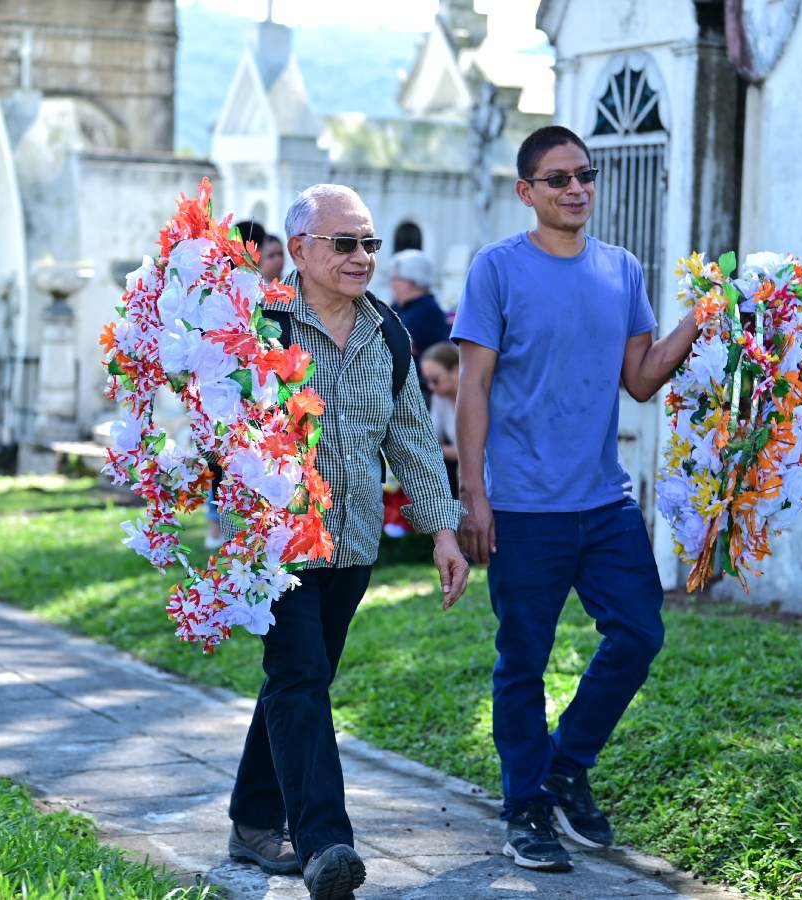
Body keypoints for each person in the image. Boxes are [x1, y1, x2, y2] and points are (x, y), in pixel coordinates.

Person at [452, 126, 700, 873]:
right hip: (524, 507)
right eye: (556, 178)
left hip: (603, 502)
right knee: (522, 661)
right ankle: (525, 806)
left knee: (640, 633)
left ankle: (565, 767)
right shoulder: (497, 270)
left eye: (583, 175)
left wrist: (703, 317)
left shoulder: (621, 270)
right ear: (526, 191)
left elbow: (644, 378)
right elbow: (473, 389)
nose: (575, 188)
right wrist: (474, 497)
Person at [226, 184, 468, 900]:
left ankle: (251, 818)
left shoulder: (389, 332)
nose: (361, 256)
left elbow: (414, 443)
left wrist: (443, 532)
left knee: (300, 681)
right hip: (276, 545)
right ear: (299, 251)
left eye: (369, 243)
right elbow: (211, 419)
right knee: (300, 678)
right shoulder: (257, 325)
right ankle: (327, 842)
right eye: (344, 243)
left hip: (354, 541)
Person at [206, 226, 284, 550]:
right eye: (270, 254)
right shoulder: (222, 297)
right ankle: (232, 530)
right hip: (231, 400)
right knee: (230, 463)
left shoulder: (275, 301)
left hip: (262, 403)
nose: (276, 261)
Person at [388, 249, 450, 391]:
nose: (392, 285)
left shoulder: (427, 311)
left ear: (411, 282)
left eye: (396, 279)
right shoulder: (399, 306)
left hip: (419, 390)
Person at [420, 341, 459, 497]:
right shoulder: (440, 397)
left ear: (455, 371)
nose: (431, 387)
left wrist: (442, 450)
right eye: (427, 381)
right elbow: (430, 440)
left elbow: (484, 454)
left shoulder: (479, 398)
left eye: (435, 380)